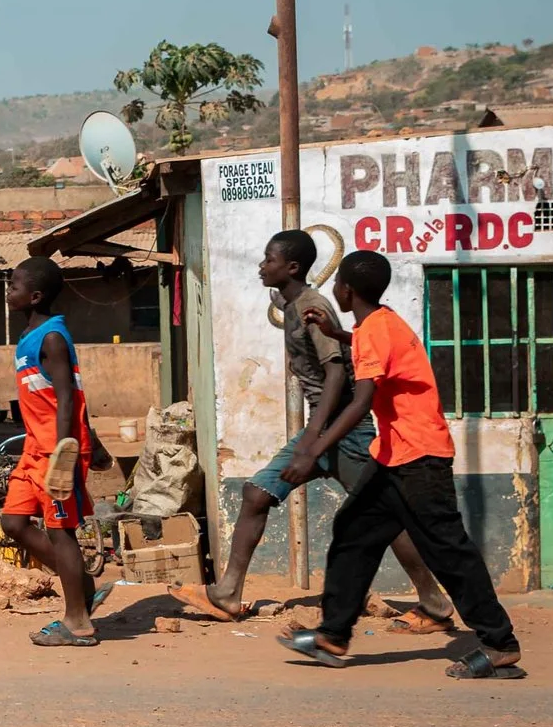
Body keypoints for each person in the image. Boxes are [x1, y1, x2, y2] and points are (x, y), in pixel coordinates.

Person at [172, 228, 460, 633]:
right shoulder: (294, 303)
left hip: (346, 431)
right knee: (256, 493)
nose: (261, 266)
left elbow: (338, 373)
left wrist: (311, 442)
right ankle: (228, 593)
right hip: (322, 427)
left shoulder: (311, 303)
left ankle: (433, 600)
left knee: (387, 517)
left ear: (292, 267)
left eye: (269, 260)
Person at [278, 249, 526, 680]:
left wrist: (311, 450)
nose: (333, 288)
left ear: (346, 290)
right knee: (354, 531)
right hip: (394, 456)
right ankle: (332, 635)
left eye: (336, 281)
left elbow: (360, 402)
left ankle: (499, 643)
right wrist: (337, 333)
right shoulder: (381, 323)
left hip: (419, 458)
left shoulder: (377, 329)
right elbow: (374, 351)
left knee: (448, 550)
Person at [0, 256, 102, 647]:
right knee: (13, 523)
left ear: (35, 295)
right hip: (33, 450)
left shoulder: (53, 338)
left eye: (14, 287)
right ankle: (81, 582)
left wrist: (64, 454)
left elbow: (67, 399)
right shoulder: (30, 336)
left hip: (55, 453)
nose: (9, 292)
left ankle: (77, 621)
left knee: (63, 534)